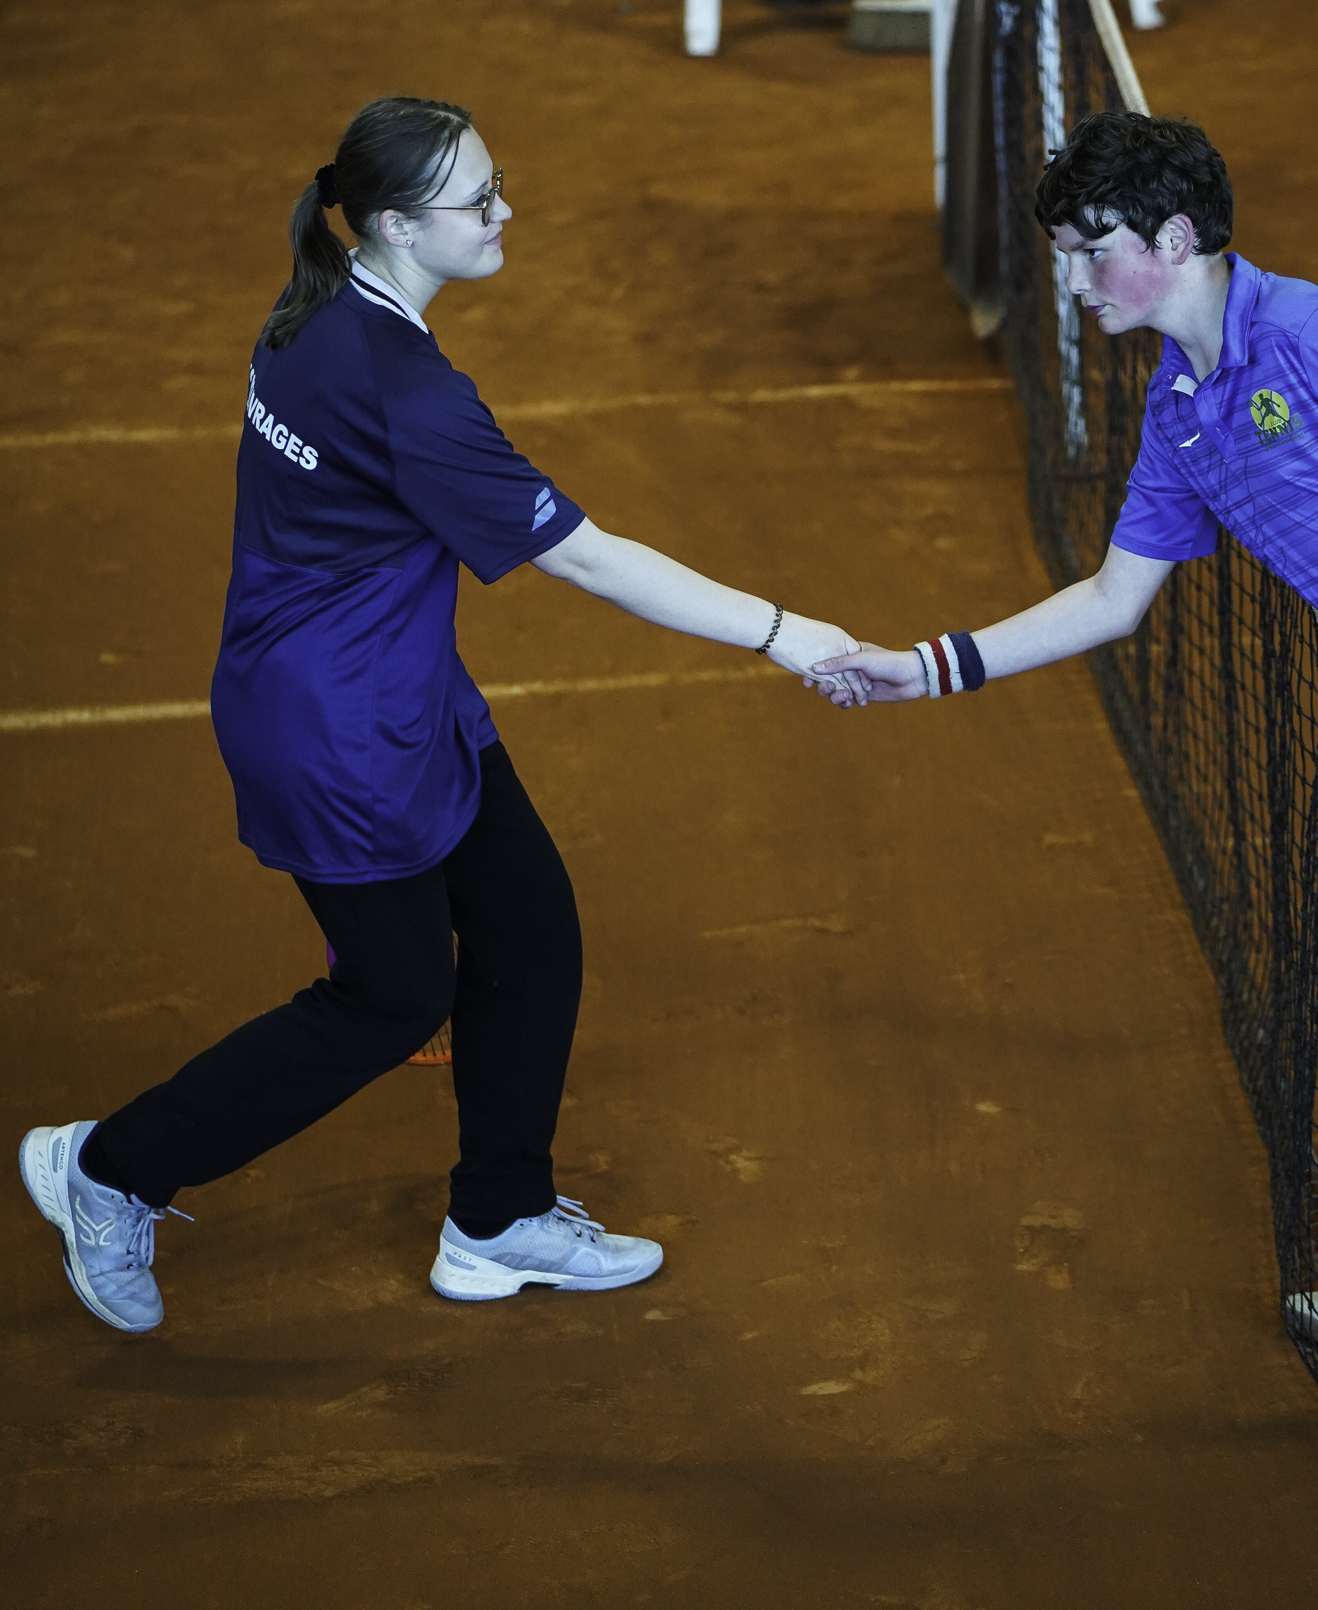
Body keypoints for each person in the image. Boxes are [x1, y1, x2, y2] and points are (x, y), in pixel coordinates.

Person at [21, 95, 861, 1335]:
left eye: (497, 181)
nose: (506, 210)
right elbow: (591, 558)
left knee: (530, 929)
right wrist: (785, 630)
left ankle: (498, 1218)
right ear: (399, 225)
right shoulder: (410, 395)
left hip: (399, 691)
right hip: (340, 735)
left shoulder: (312, 308)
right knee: (393, 995)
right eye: (480, 200)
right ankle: (108, 1169)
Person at [809, 110, 1318, 1363]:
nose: (1074, 281)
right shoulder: (1182, 413)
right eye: (1064, 256)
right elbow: (1113, 599)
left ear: (1175, 238)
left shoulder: (1317, 334)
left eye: (1092, 251)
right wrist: (923, 669)